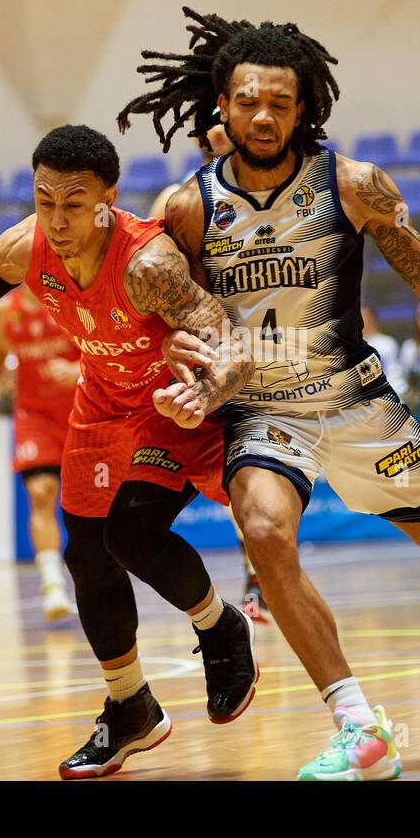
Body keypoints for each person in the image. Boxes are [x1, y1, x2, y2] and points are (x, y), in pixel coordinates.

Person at [119, 7, 420, 780]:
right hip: (265, 412)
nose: (262, 114)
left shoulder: (352, 185)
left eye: (281, 102)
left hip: (357, 403)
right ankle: (359, 724)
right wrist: (185, 371)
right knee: (264, 531)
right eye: (248, 99)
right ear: (222, 104)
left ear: (305, 108)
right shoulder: (185, 208)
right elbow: (158, 311)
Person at [0, 125, 257, 779]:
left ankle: (219, 626)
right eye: (45, 200)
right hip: (99, 403)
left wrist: (206, 388)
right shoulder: (26, 247)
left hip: (166, 405)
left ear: (109, 199)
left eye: (74, 203)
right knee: (84, 552)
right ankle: (130, 708)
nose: (57, 219)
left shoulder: (146, 264)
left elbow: (219, 329)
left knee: (130, 532)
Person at [150, 125, 270, 621]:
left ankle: (262, 577)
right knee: (234, 480)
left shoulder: (272, 191)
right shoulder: (175, 201)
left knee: (260, 476)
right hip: (209, 348)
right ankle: (250, 587)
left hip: (267, 345)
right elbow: (149, 279)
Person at [0, 283, 79, 620]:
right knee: (41, 492)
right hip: (33, 414)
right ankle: (52, 582)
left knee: (88, 501)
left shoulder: (67, 296)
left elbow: (96, 345)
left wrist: (78, 372)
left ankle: (101, 574)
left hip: (79, 409)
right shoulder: (4, 309)